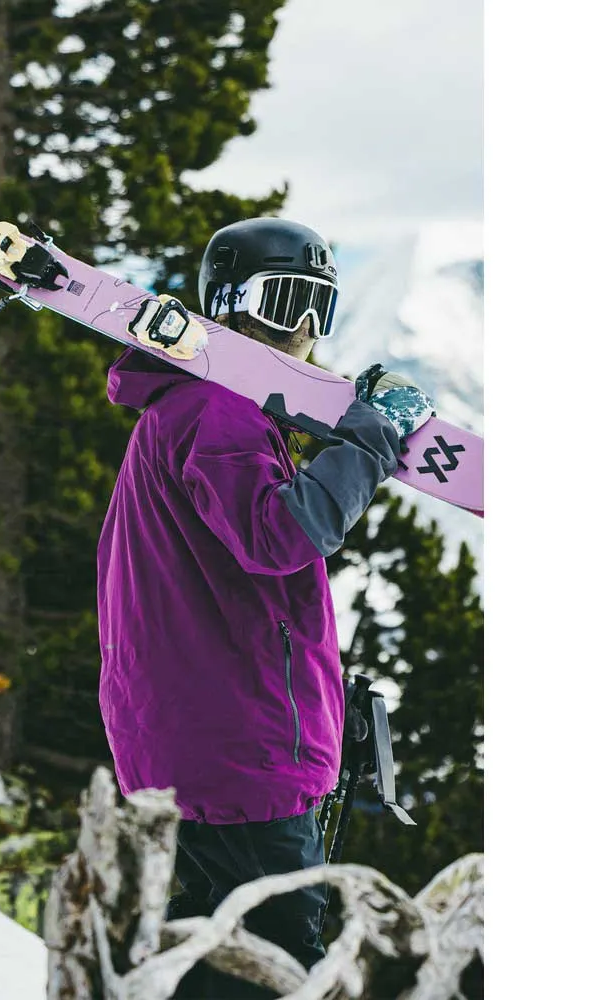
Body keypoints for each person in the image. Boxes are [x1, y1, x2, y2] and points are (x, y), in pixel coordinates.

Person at [96, 217, 434, 998]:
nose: (303, 329)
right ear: (228, 305)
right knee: (279, 963)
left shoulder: (190, 411)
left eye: (321, 306)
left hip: (204, 744)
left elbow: (239, 592)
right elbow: (283, 534)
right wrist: (371, 438)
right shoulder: (217, 411)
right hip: (236, 757)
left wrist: (320, 707)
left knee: (215, 948)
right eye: (284, 302)